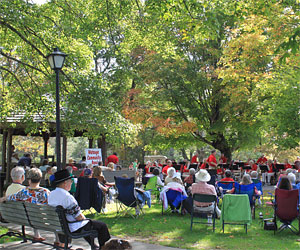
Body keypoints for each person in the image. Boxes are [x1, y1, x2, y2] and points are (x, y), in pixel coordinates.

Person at [48, 169, 111, 249]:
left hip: (59, 225)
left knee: (87, 224)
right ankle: (103, 248)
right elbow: (79, 217)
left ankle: (94, 246)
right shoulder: (67, 197)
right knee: (102, 226)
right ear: (65, 183)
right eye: (70, 181)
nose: (72, 183)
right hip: (71, 227)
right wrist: (86, 219)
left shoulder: (51, 194)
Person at [1, 168, 50, 241]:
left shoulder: (23, 192)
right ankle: (57, 241)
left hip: (27, 219)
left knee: (33, 212)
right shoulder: (45, 192)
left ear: (28, 179)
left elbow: (9, 198)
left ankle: (37, 235)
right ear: (40, 179)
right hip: (45, 221)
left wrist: (3, 199)